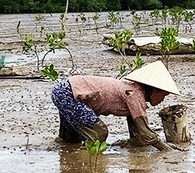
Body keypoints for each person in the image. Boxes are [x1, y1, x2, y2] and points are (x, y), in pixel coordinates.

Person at [51, 61, 180, 151]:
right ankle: (84, 161)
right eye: (164, 95)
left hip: (64, 89)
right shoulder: (135, 95)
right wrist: (166, 149)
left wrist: (132, 144)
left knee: (71, 141)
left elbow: (139, 135)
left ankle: (69, 152)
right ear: (156, 90)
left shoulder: (133, 91)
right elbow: (145, 133)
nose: (162, 100)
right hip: (67, 93)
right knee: (99, 133)